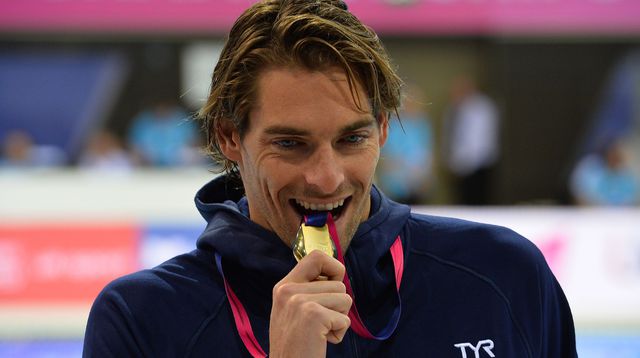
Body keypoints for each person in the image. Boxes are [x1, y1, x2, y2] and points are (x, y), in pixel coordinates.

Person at [83, 1, 577, 357]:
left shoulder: (502, 274)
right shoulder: (142, 320)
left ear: (383, 128)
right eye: (291, 144)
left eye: (351, 139)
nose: (326, 178)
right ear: (230, 137)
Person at [442, 76, 500, 205]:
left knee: (478, 202)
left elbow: (480, 139)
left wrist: (465, 162)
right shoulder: (452, 109)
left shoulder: (483, 107)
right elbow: (450, 137)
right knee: (461, 202)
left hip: (479, 164)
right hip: (459, 165)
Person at [376, 84, 435, 204]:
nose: (412, 107)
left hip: (418, 184)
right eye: (408, 103)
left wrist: (427, 176)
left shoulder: (422, 124)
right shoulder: (392, 126)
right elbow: (385, 155)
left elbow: (428, 152)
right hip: (396, 185)